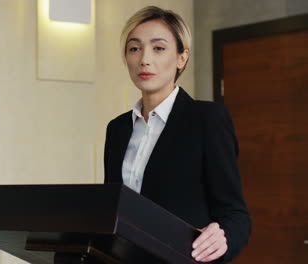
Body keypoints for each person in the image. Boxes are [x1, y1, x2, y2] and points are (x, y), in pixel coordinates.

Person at [103, 6, 251, 264]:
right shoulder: (117, 129)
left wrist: (222, 237)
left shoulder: (208, 119)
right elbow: (114, 210)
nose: (144, 59)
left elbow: (236, 214)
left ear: (182, 58)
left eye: (158, 48)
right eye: (134, 48)